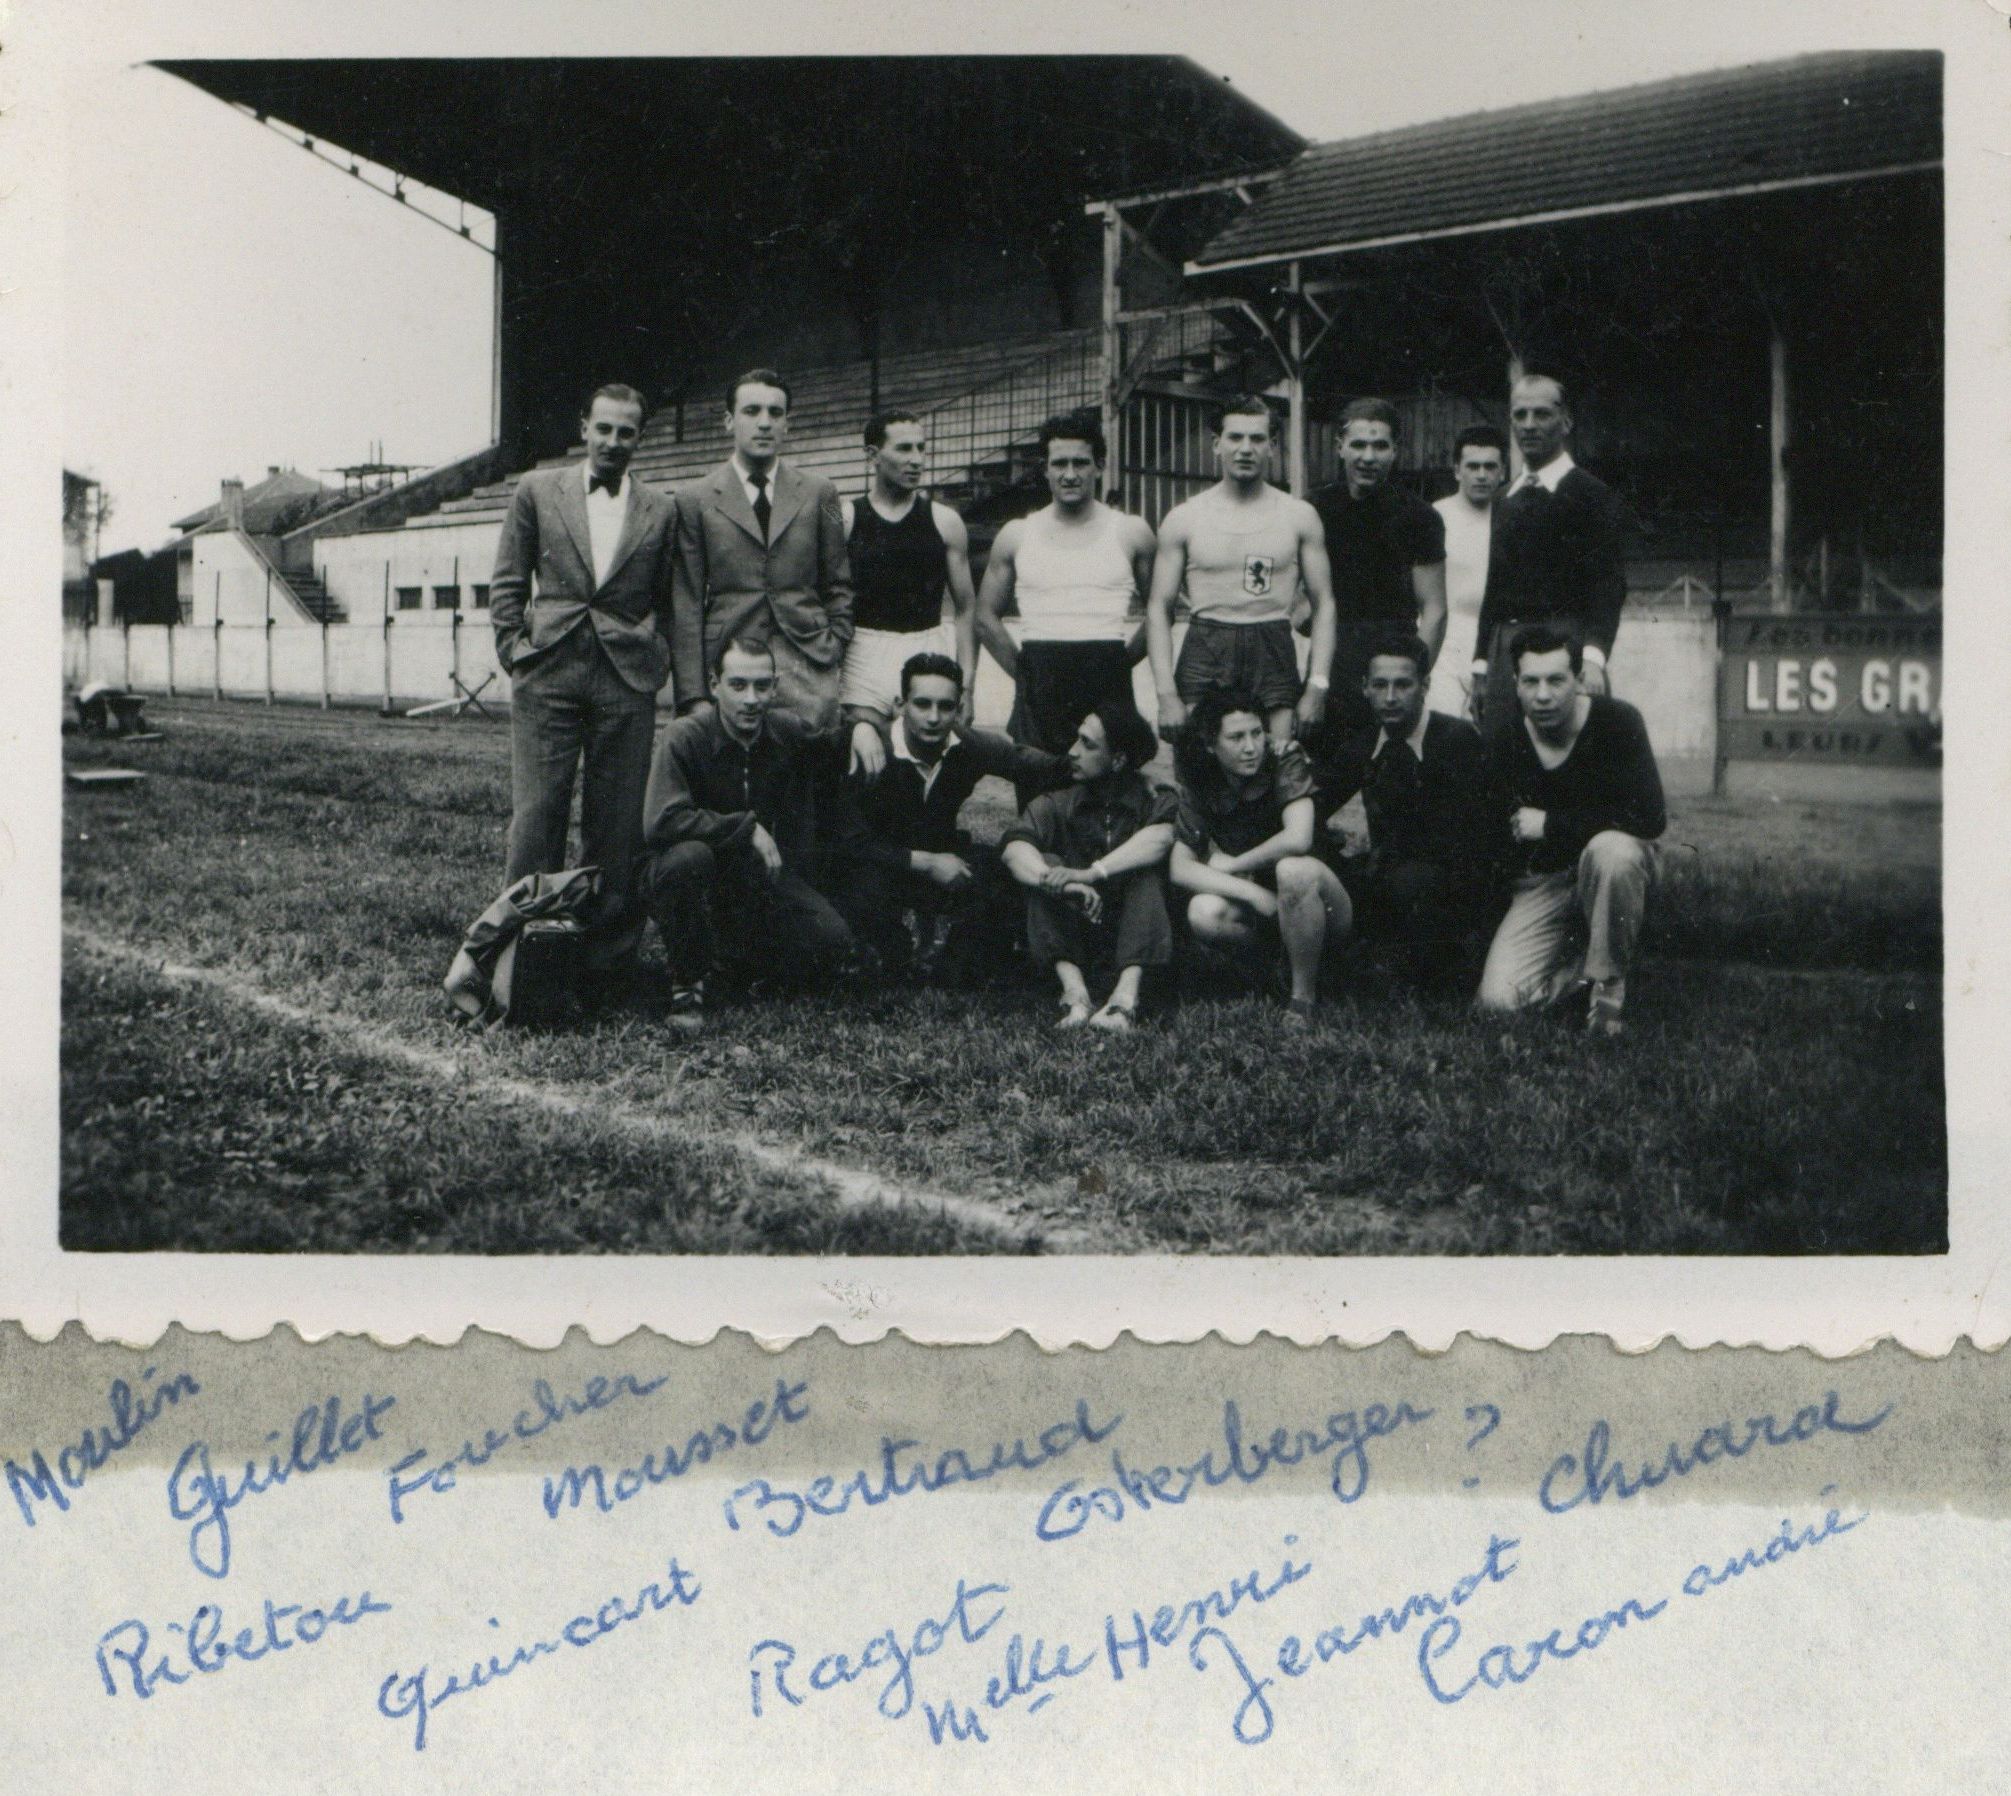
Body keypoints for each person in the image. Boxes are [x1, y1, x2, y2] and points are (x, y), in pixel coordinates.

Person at [489, 382, 679, 986]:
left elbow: (670, 599)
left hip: (626, 676)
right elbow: (507, 582)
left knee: (618, 825)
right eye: (604, 429)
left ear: (639, 439)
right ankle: (521, 955)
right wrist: (515, 651)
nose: (613, 442)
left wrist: (658, 660)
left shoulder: (662, 508)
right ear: (584, 427)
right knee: (537, 815)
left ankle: (604, 965)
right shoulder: (537, 491)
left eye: (627, 432)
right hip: (549, 670)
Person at [638, 637, 861, 1035]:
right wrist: (745, 829)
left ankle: (736, 961)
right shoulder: (684, 736)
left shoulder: (785, 730)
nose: (751, 699)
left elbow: (832, 746)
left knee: (832, 940)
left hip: (749, 875)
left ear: (775, 687)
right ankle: (687, 984)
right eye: (738, 685)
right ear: (714, 684)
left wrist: (862, 730)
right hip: (684, 871)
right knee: (689, 859)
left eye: (762, 686)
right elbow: (662, 820)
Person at [829, 652, 1069, 982]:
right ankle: (891, 951)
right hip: (878, 864)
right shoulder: (873, 749)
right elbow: (848, 842)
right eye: (922, 704)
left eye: (945, 707)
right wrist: (925, 862)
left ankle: (956, 961)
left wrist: (1099, 763)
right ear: (901, 704)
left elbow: (1032, 764)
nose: (933, 717)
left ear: (959, 709)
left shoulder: (966, 746)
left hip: (942, 859)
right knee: (877, 948)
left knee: (1002, 879)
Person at [1476, 624, 1665, 1036]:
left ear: (1579, 680)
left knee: (1611, 850)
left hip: (1614, 871)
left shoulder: (1618, 722)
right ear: (1515, 684)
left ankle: (1608, 995)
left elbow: (1650, 817)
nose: (1543, 695)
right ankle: (1588, 970)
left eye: (1556, 680)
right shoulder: (1503, 738)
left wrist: (1551, 824)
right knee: (1499, 1002)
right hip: (1544, 883)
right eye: (1531, 681)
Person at [975, 409, 1156, 806]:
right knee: (1039, 794)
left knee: (1109, 796)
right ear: (1045, 469)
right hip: (1040, 672)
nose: (1069, 474)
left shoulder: (1130, 531)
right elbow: (984, 616)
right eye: (1059, 463)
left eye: (1080, 462)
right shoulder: (1018, 534)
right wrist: (1023, 669)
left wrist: (1122, 661)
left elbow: (1160, 610)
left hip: (1106, 668)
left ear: (1099, 466)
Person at [1315, 631, 1501, 996]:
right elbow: (1315, 802)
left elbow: (1482, 843)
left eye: (1402, 685)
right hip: (1390, 878)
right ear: (1364, 687)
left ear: (1424, 685)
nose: (1390, 698)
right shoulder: (1365, 743)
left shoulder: (1458, 740)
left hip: (1452, 887)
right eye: (1380, 685)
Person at [1146, 395, 1336, 750]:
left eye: (1257, 439)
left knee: (1276, 768)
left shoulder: (1299, 516)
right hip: (1205, 646)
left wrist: (1317, 685)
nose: (1246, 448)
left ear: (1273, 446)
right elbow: (1158, 607)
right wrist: (1165, 693)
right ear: (1217, 444)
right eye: (1235, 438)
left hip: (1273, 645)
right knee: (1200, 771)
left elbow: (1324, 603)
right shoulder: (1185, 517)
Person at [672, 368, 854, 733]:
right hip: (729, 662)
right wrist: (693, 694)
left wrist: (833, 643)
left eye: (776, 413)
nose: (765, 423)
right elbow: (687, 601)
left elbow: (839, 582)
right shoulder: (694, 499)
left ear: (788, 423)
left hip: (806, 659)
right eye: (752, 411)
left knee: (809, 776)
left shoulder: (823, 493)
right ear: (728, 421)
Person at [1168, 690, 1351, 1024]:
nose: (1251, 747)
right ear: (1210, 745)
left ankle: (1302, 998)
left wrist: (1235, 865)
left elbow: (1298, 838)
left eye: (1256, 733)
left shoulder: (1284, 759)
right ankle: (1276, 970)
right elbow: (1180, 868)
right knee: (1203, 912)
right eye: (1236, 737)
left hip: (1321, 898)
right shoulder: (1201, 779)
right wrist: (1253, 893)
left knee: (1292, 871)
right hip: (1268, 903)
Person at [1000, 697, 1175, 1031]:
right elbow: (1014, 849)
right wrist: (1065, 882)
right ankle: (1075, 994)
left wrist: (1093, 872)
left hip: (1138, 932)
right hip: (1078, 933)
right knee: (1046, 866)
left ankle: (1124, 1001)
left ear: (1118, 760)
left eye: (1088, 744)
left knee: (1144, 870)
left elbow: (1161, 839)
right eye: (1077, 739)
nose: (1073, 752)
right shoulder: (1058, 802)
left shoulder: (1155, 799)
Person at [1472, 373, 1629, 731]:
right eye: (1520, 415)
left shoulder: (1593, 495)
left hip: (1565, 649)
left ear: (1566, 422)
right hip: (1506, 653)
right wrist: (1480, 666)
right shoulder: (1503, 500)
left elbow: (1608, 584)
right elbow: (1494, 589)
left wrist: (1592, 660)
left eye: (1541, 414)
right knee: (1503, 762)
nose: (1529, 425)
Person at [839, 410, 980, 780]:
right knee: (861, 767)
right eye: (904, 449)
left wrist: (968, 684)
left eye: (921, 448)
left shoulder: (945, 520)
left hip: (926, 648)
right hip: (863, 654)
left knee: (923, 771)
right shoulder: (847, 518)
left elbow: (967, 609)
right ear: (872, 456)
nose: (916, 459)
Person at [1311, 397, 1447, 737]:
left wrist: (1412, 677)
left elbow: (1434, 609)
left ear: (1395, 451)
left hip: (1391, 660)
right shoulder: (1315, 509)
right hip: (1333, 658)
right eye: (1358, 445)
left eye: (1380, 446)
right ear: (1340, 447)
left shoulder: (1420, 517)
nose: (1368, 457)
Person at [1429, 424, 1507, 720]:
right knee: (1445, 733)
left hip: (1496, 646)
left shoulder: (1513, 517)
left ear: (1502, 470)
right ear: (1457, 470)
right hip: (1446, 647)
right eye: (1473, 466)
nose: (1482, 474)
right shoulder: (1436, 517)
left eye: (1490, 466)